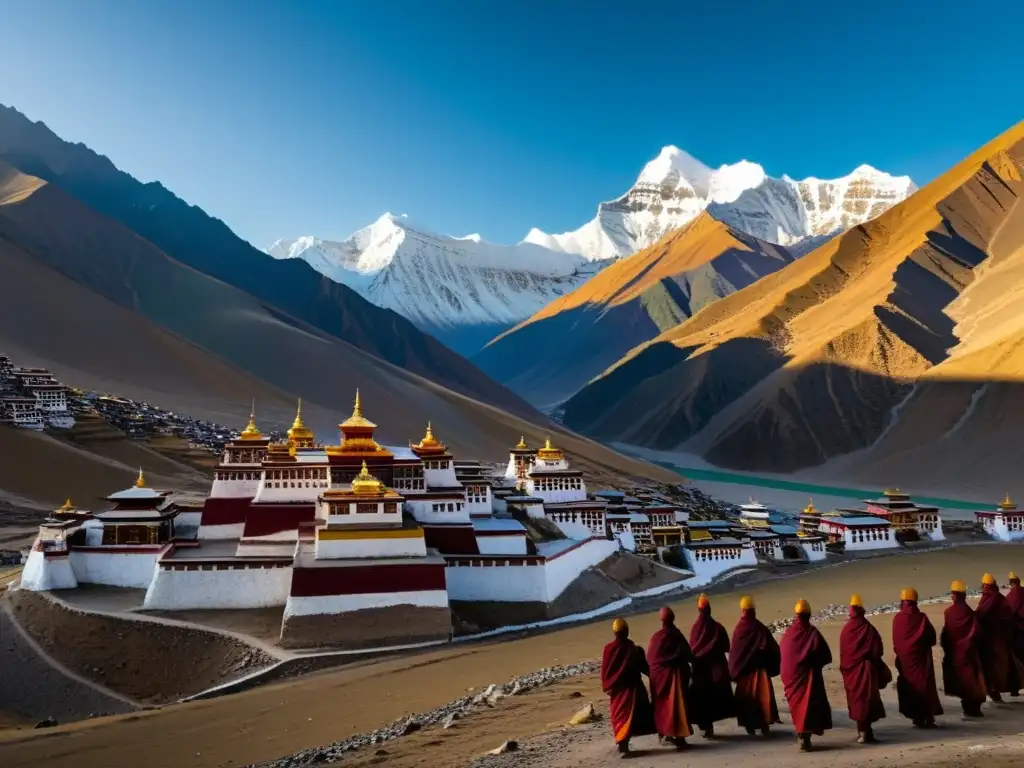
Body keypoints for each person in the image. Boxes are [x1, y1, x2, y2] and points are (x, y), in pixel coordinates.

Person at [781, 599, 833, 752]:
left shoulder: (788, 634)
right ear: (808, 615)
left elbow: (784, 658)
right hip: (808, 676)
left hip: (792, 678)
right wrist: (813, 664)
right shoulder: (812, 632)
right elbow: (825, 655)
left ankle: (801, 735)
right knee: (808, 707)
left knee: (798, 708)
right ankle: (806, 737)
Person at [839, 594, 891, 743]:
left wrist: (847, 669)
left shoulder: (846, 630)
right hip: (867, 669)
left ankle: (862, 731)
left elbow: (844, 655)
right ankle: (866, 731)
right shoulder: (868, 628)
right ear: (861, 609)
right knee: (866, 700)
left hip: (853, 672)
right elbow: (877, 651)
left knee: (857, 700)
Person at [601, 617, 656, 757]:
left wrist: (608, 687)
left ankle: (623, 744)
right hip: (633, 689)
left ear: (615, 633)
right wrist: (654, 675)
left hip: (617, 691)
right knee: (640, 713)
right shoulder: (633, 649)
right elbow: (642, 667)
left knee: (620, 716)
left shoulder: (608, 649)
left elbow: (606, 672)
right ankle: (662, 734)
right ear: (626, 631)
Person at [729, 595, 782, 737]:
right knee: (762, 697)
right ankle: (764, 724)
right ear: (753, 611)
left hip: (745, 674)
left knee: (747, 699)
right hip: (760, 672)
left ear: (742, 611)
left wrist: (734, 671)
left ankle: (749, 726)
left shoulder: (739, 629)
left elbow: (735, 653)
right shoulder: (760, 628)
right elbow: (772, 648)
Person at [892, 586, 943, 728]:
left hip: (905, 661)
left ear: (903, 602)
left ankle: (917, 717)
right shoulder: (921, 618)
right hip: (921, 660)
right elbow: (932, 638)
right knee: (924, 686)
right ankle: (928, 717)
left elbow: (897, 642)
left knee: (910, 688)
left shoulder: (898, 619)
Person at [687, 594, 735, 738]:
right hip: (715, 671)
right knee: (714, 699)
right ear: (709, 610)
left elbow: (692, 649)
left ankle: (706, 727)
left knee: (702, 699)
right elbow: (727, 647)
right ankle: (709, 726)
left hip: (700, 671)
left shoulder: (695, 629)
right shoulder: (718, 627)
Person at [646, 606, 693, 749]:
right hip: (677, 676)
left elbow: (651, 660)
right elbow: (688, 655)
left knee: (664, 707)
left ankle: (666, 734)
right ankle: (680, 737)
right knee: (678, 706)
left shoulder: (657, 637)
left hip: (661, 678)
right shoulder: (677, 635)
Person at [940, 579, 987, 718]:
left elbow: (947, 633)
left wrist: (946, 647)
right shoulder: (970, 613)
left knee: (961, 680)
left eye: (953, 593)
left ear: (955, 595)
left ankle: (968, 708)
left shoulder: (949, 613)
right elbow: (978, 632)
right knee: (972, 679)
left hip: (956, 653)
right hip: (970, 652)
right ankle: (974, 708)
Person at [976, 573, 1016, 702]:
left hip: (993, 639)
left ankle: (994, 691)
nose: (984, 587)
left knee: (993, 666)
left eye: (985, 586)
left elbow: (981, 616)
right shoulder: (997, 598)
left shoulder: (991, 599)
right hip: (1000, 637)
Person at [1005, 572, 1024, 695]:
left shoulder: (1012, 595)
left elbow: (1007, 612)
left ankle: (1015, 688)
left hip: (1018, 632)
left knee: (1016, 660)